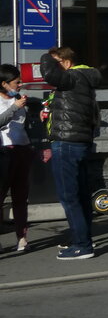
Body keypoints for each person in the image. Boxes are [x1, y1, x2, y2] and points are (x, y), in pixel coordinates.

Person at [40, 46, 102, 260]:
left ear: (66, 62)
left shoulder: (72, 76)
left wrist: (47, 56)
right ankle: (84, 238)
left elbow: (48, 73)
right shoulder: (84, 77)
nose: (53, 66)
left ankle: (82, 246)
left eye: (57, 62)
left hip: (66, 143)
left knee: (69, 196)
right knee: (82, 195)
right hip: (80, 142)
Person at [0, 64, 39, 254]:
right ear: (4, 84)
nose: (20, 85)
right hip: (4, 151)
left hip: (22, 150)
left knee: (21, 197)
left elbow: (26, 126)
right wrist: (14, 108)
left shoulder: (20, 100)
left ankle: (22, 238)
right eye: (17, 82)